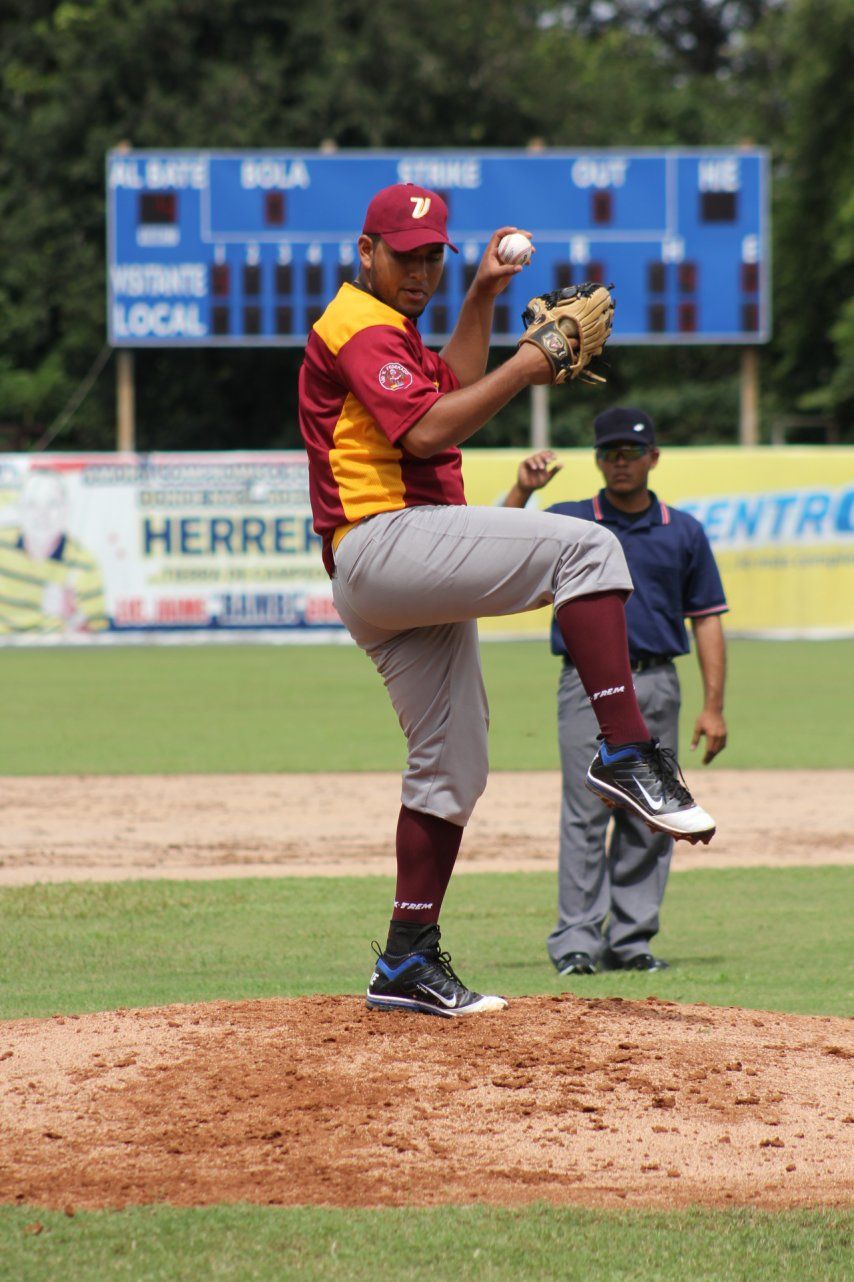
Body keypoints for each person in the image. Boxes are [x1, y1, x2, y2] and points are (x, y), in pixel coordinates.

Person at [297, 183, 716, 1019]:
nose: (419, 270)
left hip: (394, 566)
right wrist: (534, 364)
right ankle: (627, 751)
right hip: (385, 541)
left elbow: (447, 388)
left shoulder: (397, 334)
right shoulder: (353, 323)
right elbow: (427, 433)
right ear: (364, 252)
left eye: (432, 258)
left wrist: (485, 296)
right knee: (591, 546)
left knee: (453, 764)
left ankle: (406, 959)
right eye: (403, 254)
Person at [504, 409, 728, 975]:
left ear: (654, 456)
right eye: (609, 453)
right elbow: (498, 544)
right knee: (586, 811)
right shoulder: (574, 521)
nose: (619, 462)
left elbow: (706, 619)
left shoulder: (683, 530)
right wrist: (522, 490)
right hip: (585, 685)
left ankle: (631, 939)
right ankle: (576, 942)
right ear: (598, 459)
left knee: (655, 815)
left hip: (657, 680)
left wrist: (714, 705)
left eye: (630, 452)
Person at [0, 469, 108, 634]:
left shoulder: (85, 564)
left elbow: (97, 637)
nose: (41, 514)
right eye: (32, 504)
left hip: (56, 650)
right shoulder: (3, 543)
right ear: (20, 509)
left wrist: (73, 615)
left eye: (52, 504)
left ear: (66, 509)